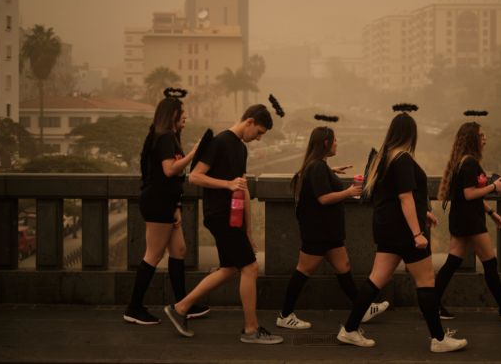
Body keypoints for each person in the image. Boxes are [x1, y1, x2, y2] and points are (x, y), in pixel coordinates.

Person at [336, 105, 468, 353]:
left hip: (387, 228)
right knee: (426, 279)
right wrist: (417, 232)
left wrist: (423, 213)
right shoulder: (403, 159)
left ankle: (350, 329)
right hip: (404, 232)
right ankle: (438, 339)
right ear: (411, 134)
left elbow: (395, 197)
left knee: (377, 278)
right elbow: (405, 198)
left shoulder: (385, 158)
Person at [163, 103, 283, 344]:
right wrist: (227, 185)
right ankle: (251, 330)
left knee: (229, 269)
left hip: (233, 217)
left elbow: (243, 187)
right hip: (219, 215)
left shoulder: (240, 149)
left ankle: (180, 308)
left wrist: (248, 231)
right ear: (249, 121)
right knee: (250, 268)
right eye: (258, 132)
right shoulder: (219, 142)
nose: (258, 138)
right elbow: (195, 176)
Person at [276, 119, 389, 330]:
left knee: (343, 266)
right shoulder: (317, 167)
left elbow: (310, 178)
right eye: (335, 140)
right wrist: (348, 192)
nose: (338, 143)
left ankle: (362, 308)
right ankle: (285, 314)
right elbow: (323, 198)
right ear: (326, 143)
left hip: (328, 231)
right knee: (303, 271)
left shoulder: (318, 166)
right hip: (318, 232)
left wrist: (330, 171)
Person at [123, 88, 209, 325]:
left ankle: (183, 305)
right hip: (157, 203)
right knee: (153, 254)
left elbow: (169, 180)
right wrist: (194, 152)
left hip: (166, 203)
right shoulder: (165, 138)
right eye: (183, 113)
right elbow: (169, 170)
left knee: (179, 250)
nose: (186, 117)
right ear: (172, 115)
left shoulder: (166, 137)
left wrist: (176, 207)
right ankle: (134, 308)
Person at [435, 120, 501, 322]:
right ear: (473, 139)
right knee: (490, 262)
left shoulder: (462, 161)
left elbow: (466, 196)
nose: (485, 139)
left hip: (462, 218)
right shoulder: (469, 163)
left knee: (452, 263)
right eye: (481, 135)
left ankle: (431, 304)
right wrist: (494, 187)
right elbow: (470, 194)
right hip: (470, 220)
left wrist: (491, 212)